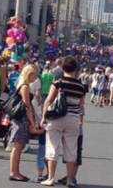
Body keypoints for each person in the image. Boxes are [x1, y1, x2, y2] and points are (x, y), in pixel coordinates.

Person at [40, 56, 86, 187]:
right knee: (71, 149)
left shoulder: (58, 83)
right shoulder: (81, 86)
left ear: (63, 68)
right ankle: (70, 180)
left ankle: (51, 178)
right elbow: (81, 106)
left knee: (53, 146)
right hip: (73, 119)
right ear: (75, 69)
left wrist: (44, 116)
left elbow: (48, 100)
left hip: (57, 117)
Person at [9, 64, 44, 182]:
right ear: (30, 74)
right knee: (18, 146)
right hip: (22, 119)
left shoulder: (24, 85)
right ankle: (14, 172)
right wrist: (32, 122)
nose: (36, 78)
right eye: (35, 75)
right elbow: (27, 105)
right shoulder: (25, 87)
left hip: (22, 118)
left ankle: (16, 171)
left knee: (20, 145)